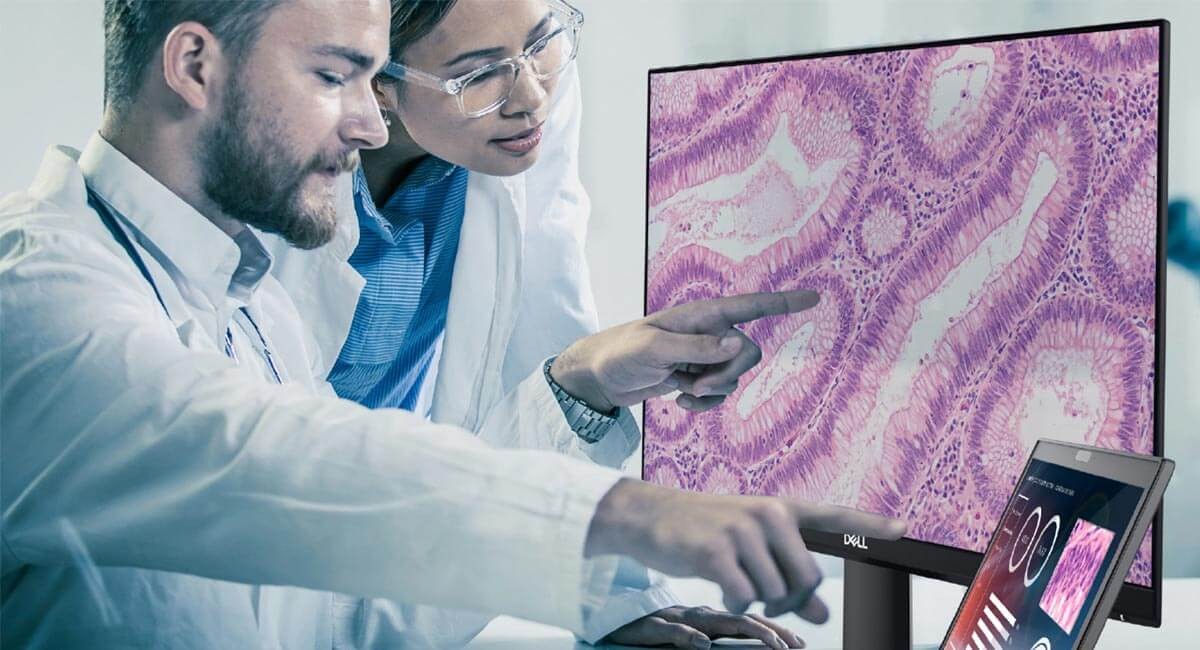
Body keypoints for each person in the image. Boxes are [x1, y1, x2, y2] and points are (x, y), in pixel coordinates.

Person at [0, 1, 905, 648]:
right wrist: (634, 516)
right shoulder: (35, 293)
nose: (367, 122)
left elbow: (349, 600)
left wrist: (575, 392)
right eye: (334, 76)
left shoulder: (253, 304)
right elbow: (267, 461)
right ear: (196, 65)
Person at [262, 1, 830, 647]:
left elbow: (545, 322)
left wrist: (612, 599)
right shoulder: (276, 161)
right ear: (376, 82)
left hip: (401, 532)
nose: (531, 96)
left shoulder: (519, 105)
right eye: (477, 75)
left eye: (542, 43)